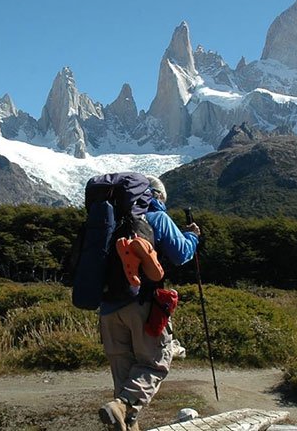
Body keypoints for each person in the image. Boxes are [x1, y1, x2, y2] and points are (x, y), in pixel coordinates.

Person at [98, 175, 201, 431]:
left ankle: (123, 415)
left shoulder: (108, 221)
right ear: (154, 196)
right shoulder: (157, 217)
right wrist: (193, 238)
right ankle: (121, 406)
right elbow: (180, 255)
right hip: (142, 304)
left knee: (124, 380)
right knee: (154, 362)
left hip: (108, 309)